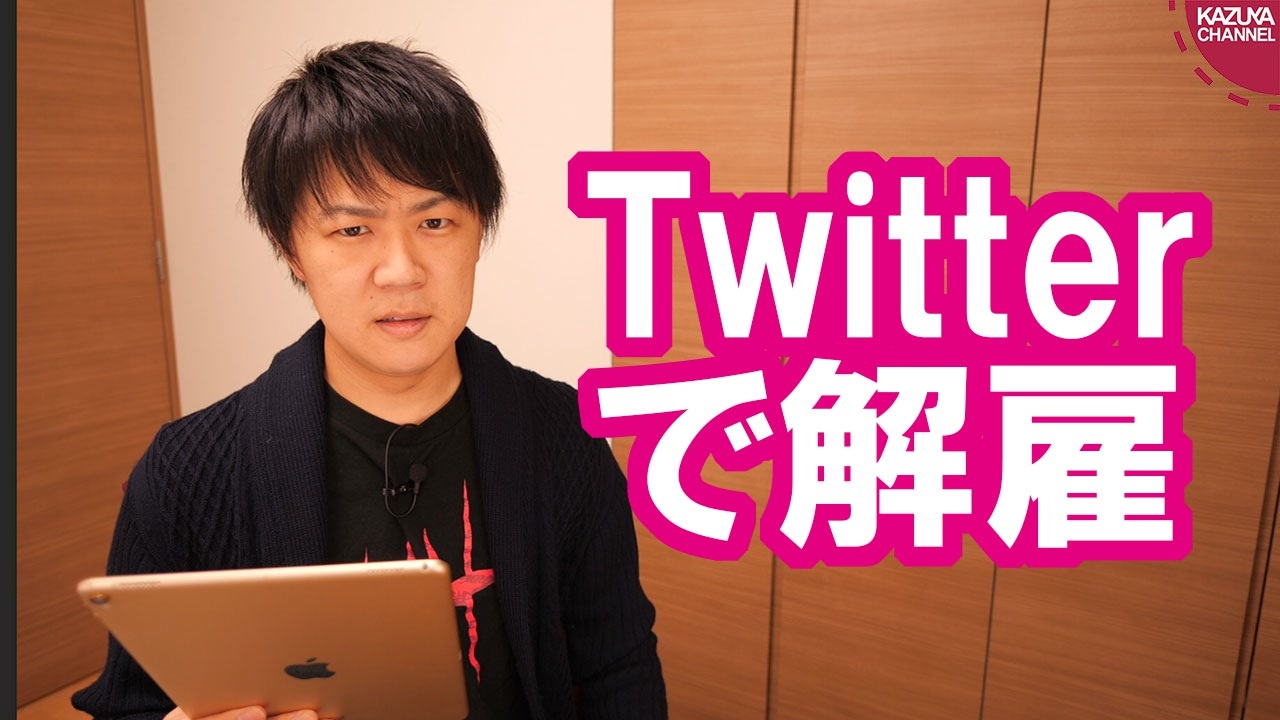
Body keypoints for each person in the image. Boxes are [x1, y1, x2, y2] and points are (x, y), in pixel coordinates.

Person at [71, 39, 667, 720]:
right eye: (353, 231)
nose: (401, 271)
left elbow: (619, 668)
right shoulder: (184, 474)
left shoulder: (565, 435)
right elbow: (127, 704)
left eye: (435, 221)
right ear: (290, 250)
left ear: (479, 232)